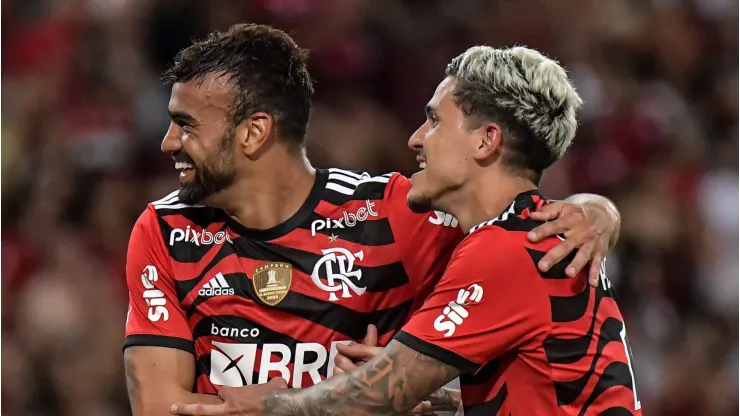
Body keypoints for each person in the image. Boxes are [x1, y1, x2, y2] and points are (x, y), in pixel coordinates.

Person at [124, 24, 623, 416]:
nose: (168, 142)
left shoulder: (399, 216)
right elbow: (160, 409)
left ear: (254, 133)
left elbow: (373, 396)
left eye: (186, 125)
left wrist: (598, 212)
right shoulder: (167, 230)